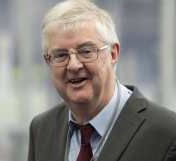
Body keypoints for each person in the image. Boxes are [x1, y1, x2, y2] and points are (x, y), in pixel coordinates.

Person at [27, 0, 176, 161]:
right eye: (61, 55)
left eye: (86, 51)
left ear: (113, 54)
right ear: (48, 62)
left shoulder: (167, 133)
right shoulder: (42, 129)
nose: (74, 65)